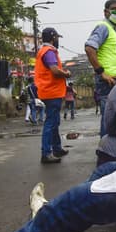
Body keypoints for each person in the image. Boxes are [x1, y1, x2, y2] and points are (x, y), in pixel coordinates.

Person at [85, 0, 116, 137]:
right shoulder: (103, 27)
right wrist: (102, 72)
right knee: (109, 119)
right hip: (109, 81)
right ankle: (106, 148)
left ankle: (114, 146)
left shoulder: (114, 32)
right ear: (106, 12)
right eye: (115, 8)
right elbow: (90, 48)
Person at [35, 27, 71, 164]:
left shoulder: (44, 51)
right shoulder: (49, 51)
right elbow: (55, 71)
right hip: (52, 92)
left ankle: (56, 148)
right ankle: (46, 153)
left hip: (49, 91)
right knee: (50, 123)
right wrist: (66, 74)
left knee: (54, 122)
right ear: (52, 37)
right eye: (56, 37)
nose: (57, 40)